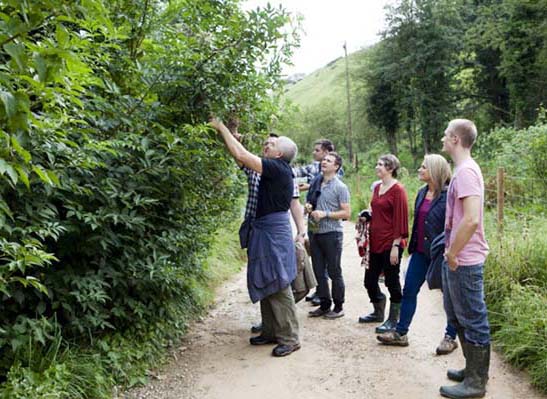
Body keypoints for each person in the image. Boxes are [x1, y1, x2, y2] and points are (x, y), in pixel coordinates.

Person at [210, 118, 301, 357]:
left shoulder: (278, 168)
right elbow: (243, 157)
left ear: (280, 153)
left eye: (271, 145)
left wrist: (221, 128)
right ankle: (271, 331)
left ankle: (290, 338)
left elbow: (242, 155)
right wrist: (232, 136)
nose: (266, 146)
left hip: (273, 232)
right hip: (266, 230)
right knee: (268, 280)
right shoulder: (273, 169)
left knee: (279, 283)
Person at [377, 154, 458, 354]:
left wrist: (451, 251)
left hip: (440, 254)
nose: (420, 170)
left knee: (449, 296)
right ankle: (400, 333)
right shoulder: (422, 193)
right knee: (410, 290)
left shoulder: (449, 196)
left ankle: (450, 337)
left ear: (435, 171)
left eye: (424, 167)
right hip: (420, 252)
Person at [439, 119, 490, 398]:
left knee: (473, 317)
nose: (443, 139)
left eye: (447, 135)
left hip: (465, 258)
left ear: (456, 139)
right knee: (457, 315)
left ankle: (476, 382)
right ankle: (472, 369)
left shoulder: (467, 172)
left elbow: (470, 220)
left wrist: (453, 253)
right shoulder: (461, 170)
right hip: (455, 255)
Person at [359, 154, 408, 335]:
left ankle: (394, 320)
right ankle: (378, 309)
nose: (376, 167)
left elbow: (401, 219)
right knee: (369, 280)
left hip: (391, 242)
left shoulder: (398, 190)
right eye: (377, 164)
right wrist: (367, 215)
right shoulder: (377, 187)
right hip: (375, 241)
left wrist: (396, 246)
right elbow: (377, 210)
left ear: (390, 168)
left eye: (380, 164)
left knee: (392, 280)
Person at [305, 152, 350, 319]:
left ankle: (338, 307)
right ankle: (324, 304)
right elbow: (311, 203)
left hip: (332, 234)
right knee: (318, 270)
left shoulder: (340, 187)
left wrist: (325, 214)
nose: (324, 162)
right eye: (324, 160)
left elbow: (347, 213)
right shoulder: (316, 183)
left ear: (336, 166)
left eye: (328, 161)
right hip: (315, 232)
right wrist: (309, 207)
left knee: (334, 270)